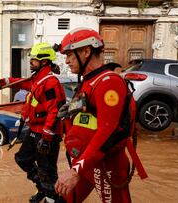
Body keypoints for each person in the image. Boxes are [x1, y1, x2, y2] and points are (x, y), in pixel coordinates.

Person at [54, 28, 147, 202]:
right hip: (86, 162)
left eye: (70, 55)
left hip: (106, 165)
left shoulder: (108, 82)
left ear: (86, 51)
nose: (66, 61)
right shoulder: (88, 81)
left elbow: (107, 132)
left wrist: (75, 171)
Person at [0, 42, 66, 202]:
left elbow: (54, 112)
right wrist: (3, 82)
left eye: (34, 59)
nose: (30, 61)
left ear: (44, 62)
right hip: (35, 130)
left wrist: (46, 139)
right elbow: (22, 82)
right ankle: (43, 189)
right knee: (22, 159)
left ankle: (53, 197)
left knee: (47, 171)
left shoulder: (50, 83)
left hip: (47, 135)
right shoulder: (38, 78)